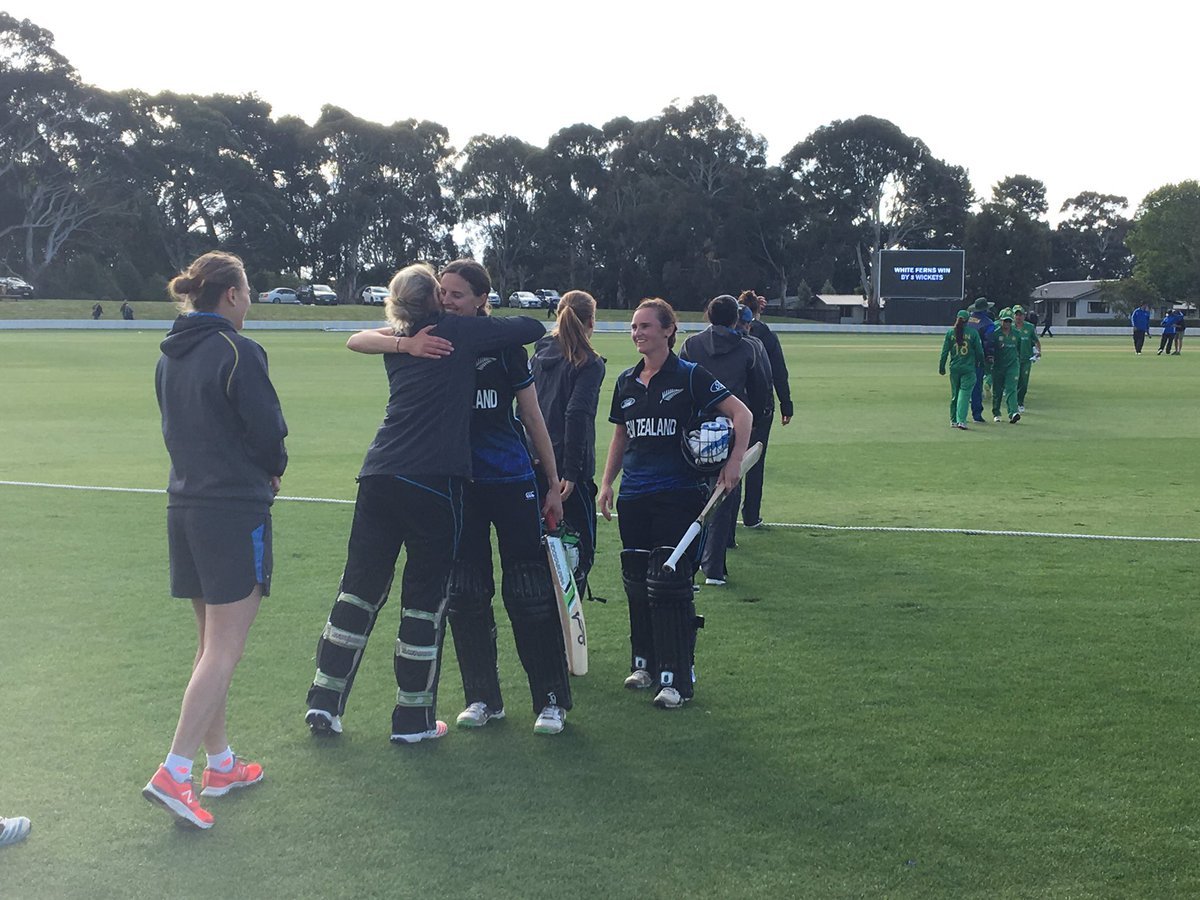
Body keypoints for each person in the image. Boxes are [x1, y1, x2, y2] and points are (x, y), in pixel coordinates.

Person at [304, 264, 546, 744]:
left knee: (357, 592)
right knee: (424, 600)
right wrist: (476, 312)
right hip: (434, 480)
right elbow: (533, 328)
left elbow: (355, 338)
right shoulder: (457, 330)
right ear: (433, 298)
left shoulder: (398, 335)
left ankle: (323, 704)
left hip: (378, 474)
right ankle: (412, 720)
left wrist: (404, 342)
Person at [143, 251, 288, 830]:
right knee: (224, 648)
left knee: (210, 646)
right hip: (231, 508)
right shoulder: (238, 349)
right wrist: (272, 466)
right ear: (230, 294)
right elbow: (267, 430)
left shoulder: (168, 356)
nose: (250, 301)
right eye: (248, 291)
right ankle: (175, 771)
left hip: (186, 505)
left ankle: (220, 764)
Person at [425, 260, 571, 736]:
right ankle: (483, 698)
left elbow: (532, 418)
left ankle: (550, 700)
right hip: (458, 485)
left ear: (481, 299)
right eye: (442, 292)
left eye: (457, 294)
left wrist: (552, 484)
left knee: (528, 591)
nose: (447, 300)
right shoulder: (434, 341)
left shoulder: (505, 347)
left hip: (510, 479)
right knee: (466, 593)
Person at [599, 299, 752, 710]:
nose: (637, 333)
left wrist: (733, 462)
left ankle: (676, 676)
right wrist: (607, 482)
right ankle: (644, 663)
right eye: (633, 327)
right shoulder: (626, 381)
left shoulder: (690, 377)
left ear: (668, 330)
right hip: (635, 494)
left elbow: (742, 414)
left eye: (645, 326)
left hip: (679, 493)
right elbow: (621, 437)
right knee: (635, 580)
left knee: (669, 583)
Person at [679, 295, 770, 585]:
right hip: (732, 425)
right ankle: (714, 567)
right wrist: (754, 426)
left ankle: (688, 560)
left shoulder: (691, 345)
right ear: (735, 318)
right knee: (725, 491)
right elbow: (759, 391)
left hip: (697, 426)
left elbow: (681, 383)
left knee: (693, 493)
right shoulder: (748, 348)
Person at [530, 290, 607, 594]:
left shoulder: (537, 357)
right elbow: (576, 414)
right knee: (577, 554)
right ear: (591, 320)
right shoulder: (588, 363)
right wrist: (571, 474)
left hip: (534, 462)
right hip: (567, 470)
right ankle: (567, 636)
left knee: (540, 553)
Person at [735, 291, 793, 529]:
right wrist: (786, 404)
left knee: (727, 460)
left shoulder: (720, 336)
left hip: (730, 405)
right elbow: (779, 372)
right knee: (754, 463)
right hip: (760, 408)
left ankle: (724, 522)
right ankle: (751, 516)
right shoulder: (766, 335)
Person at [938, 309, 984, 429]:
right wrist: (981, 363)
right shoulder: (973, 333)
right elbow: (979, 351)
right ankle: (961, 420)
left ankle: (953, 419)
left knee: (955, 394)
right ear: (968, 320)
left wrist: (942, 367)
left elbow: (944, 352)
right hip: (968, 368)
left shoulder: (950, 333)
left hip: (954, 368)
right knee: (964, 394)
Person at [965, 297, 996, 423]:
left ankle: (957, 415)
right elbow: (989, 341)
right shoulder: (988, 323)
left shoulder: (967, 320)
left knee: (961, 387)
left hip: (963, 357)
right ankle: (977, 414)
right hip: (978, 358)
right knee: (976, 386)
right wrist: (990, 356)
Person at [990, 308, 1021, 424]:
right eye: (1005, 321)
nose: (1007, 323)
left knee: (1011, 389)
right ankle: (996, 412)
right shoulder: (995, 334)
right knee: (997, 391)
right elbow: (990, 350)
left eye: (1009, 321)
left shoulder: (1016, 334)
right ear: (1000, 320)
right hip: (998, 366)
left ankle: (1013, 412)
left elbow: (1020, 350)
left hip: (1012, 366)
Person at [1012, 305, 1040, 412]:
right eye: (1016, 315)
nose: (1018, 317)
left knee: (1023, 382)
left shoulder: (1029, 327)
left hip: (1026, 359)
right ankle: (1013, 403)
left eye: (1020, 315)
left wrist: (1038, 352)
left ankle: (1020, 402)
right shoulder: (1010, 327)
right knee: (1014, 381)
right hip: (1013, 360)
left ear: (1024, 316)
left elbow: (1036, 341)